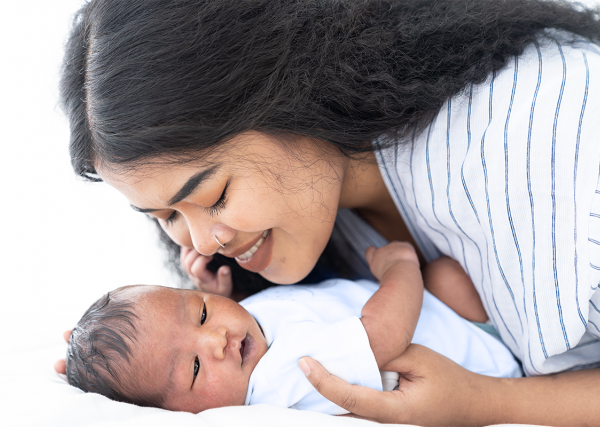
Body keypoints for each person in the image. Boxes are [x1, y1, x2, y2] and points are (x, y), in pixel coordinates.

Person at [58, 0, 600, 424]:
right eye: (166, 216)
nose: (201, 243)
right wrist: (122, 373)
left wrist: (495, 402)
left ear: (290, 92)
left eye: (214, 194)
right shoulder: (315, 234)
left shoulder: (554, 140)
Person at [64, 243, 520, 414]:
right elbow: (383, 337)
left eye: (201, 311)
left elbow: (270, 322)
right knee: (445, 275)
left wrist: (231, 297)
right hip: (478, 353)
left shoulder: (249, 345)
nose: (216, 340)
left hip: (448, 320)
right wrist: (400, 268)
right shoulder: (279, 377)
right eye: (195, 370)